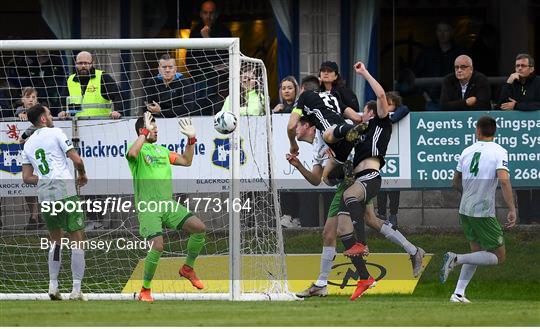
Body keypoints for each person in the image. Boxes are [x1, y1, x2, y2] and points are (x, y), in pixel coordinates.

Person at [290, 116, 425, 299]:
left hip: (351, 181)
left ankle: (324, 282)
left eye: (297, 125)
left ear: (307, 125)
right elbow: (317, 180)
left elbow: (348, 145)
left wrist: (338, 164)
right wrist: (298, 166)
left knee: (330, 234)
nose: (293, 129)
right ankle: (412, 250)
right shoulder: (316, 147)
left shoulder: (326, 133)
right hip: (351, 182)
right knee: (371, 219)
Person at [127, 112, 206, 302]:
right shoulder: (138, 150)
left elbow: (186, 161)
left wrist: (191, 139)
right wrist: (144, 133)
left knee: (200, 229)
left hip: (167, 205)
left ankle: (187, 268)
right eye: (153, 127)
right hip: (148, 207)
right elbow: (132, 154)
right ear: (143, 130)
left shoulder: (162, 151)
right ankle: (145, 290)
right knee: (158, 245)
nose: (157, 130)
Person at [441, 116, 516, 303]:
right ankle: (455, 259)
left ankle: (458, 293)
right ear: (494, 131)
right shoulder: (499, 151)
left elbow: (455, 181)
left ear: (478, 131)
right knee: (499, 256)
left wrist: (467, 194)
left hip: (465, 209)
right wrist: (512, 208)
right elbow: (504, 180)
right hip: (482, 211)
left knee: (476, 253)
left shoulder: (467, 151)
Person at [21, 103, 88, 300]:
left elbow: (26, 177)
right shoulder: (56, 132)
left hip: (45, 195)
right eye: (49, 114)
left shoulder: (28, 144)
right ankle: (76, 289)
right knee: (77, 237)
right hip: (64, 190)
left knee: (55, 240)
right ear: (43, 118)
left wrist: (45, 179)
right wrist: (82, 175)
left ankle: (53, 285)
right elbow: (76, 160)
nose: (51, 117)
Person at [328, 61, 393, 258]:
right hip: (359, 179)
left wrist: (364, 73)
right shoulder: (360, 133)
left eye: (363, 111)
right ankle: (364, 275)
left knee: (350, 196)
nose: (360, 115)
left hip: (370, 176)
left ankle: (362, 244)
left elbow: (381, 96)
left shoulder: (381, 122)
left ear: (371, 113)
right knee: (342, 227)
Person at [497, 54, 540, 224]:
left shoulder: (538, 82)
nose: (519, 69)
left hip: (535, 138)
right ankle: (524, 219)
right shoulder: (512, 83)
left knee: (536, 180)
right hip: (517, 139)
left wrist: (517, 105)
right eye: (517, 66)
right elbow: (501, 105)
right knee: (521, 180)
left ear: (531, 69)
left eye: (523, 65)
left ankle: (537, 219)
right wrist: (508, 83)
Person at [186, 0, 232, 114]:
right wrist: (201, 74)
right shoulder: (195, 32)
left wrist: (207, 39)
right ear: (201, 14)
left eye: (211, 13)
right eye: (205, 13)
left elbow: (225, 59)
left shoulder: (224, 31)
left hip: (220, 82)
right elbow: (189, 60)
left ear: (216, 14)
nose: (208, 16)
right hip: (200, 82)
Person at [413, 21, 465, 111]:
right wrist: (426, 97)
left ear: (451, 33)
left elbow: (468, 73)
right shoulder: (427, 53)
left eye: (446, 31)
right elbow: (415, 75)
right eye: (440, 31)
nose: (442, 34)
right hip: (433, 101)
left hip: (455, 100)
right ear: (436, 33)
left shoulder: (460, 53)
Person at [376, 92, 410, 227]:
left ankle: (393, 215)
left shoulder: (398, 113)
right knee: (380, 187)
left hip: (394, 156)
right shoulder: (377, 112)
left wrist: (391, 119)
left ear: (395, 105)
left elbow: (405, 109)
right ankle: (381, 214)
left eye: (389, 104)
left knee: (395, 187)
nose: (386, 106)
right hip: (380, 156)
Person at [58, 51, 124, 119]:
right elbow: (62, 101)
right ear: (76, 64)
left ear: (92, 64)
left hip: (100, 124)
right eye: (80, 63)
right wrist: (62, 111)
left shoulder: (102, 77)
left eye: (86, 63)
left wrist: (117, 111)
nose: (83, 66)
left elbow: (119, 95)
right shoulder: (70, 80)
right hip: (75, 125)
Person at [14, 87, 43, 230]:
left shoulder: (42, 111)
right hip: (24, 154)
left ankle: (42, 215)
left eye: (33, 97)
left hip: (41, 153)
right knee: (27, 183)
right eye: (28, 97)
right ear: (22, 99)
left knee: (42, 182)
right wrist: (20, 113)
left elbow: (38, 120)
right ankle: (34, 216)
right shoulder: (19, 111)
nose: (31, 99)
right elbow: (17, 112)